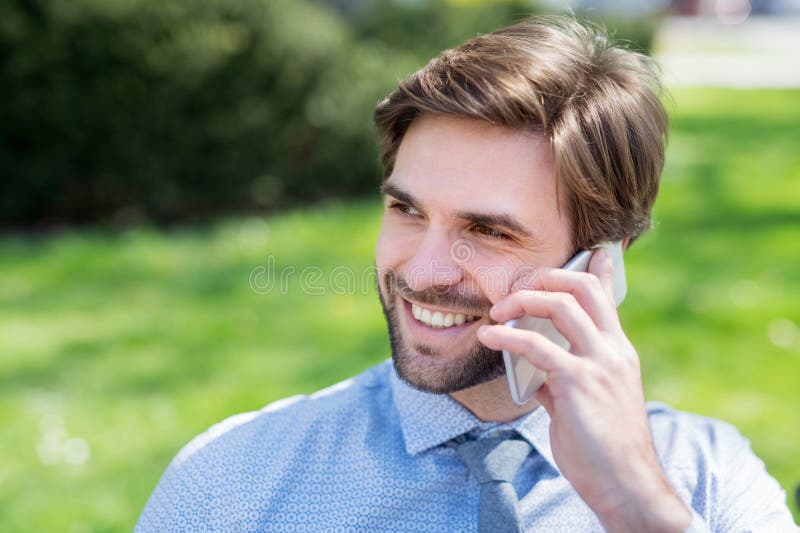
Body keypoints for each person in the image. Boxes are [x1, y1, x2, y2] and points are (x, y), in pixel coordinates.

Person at [135, 16, 797, 532]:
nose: (421, 271)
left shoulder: (707, 476)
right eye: (406, 210)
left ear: (602, 261)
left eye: (486, 230)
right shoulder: (232, 482)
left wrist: (639, 509)